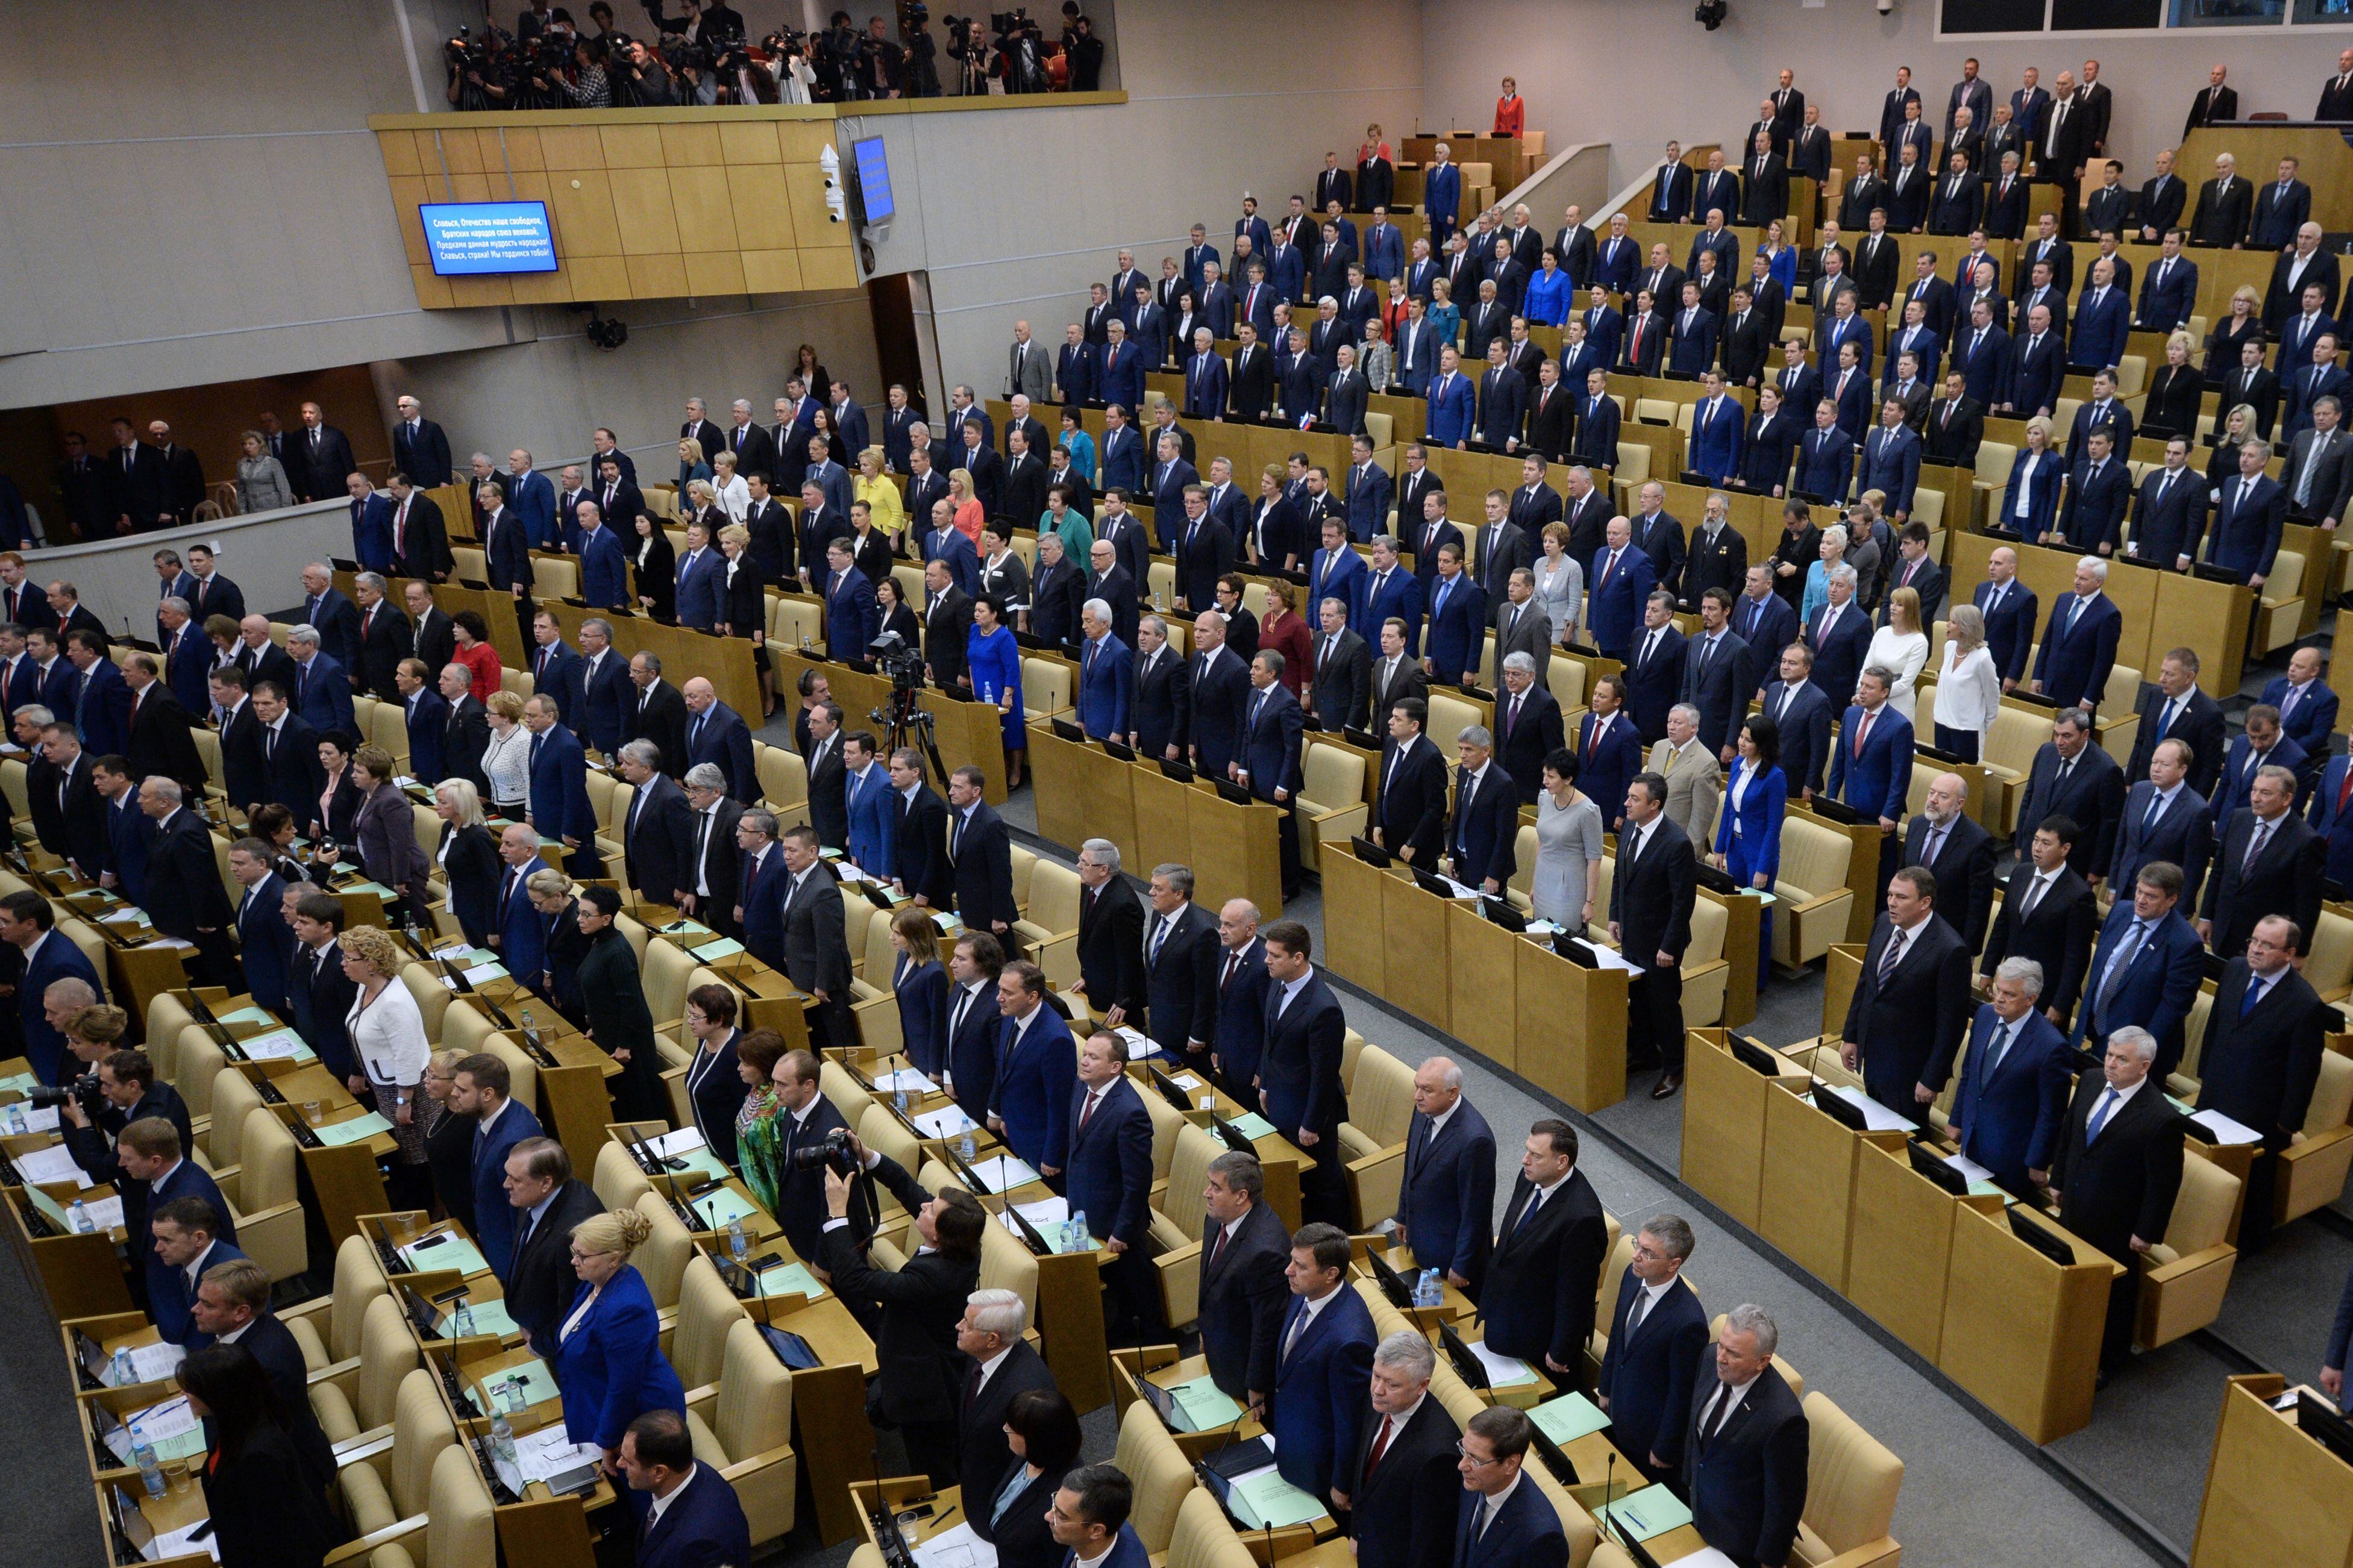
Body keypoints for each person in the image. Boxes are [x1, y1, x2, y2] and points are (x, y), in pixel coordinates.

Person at [822, 1132, 988, 1485]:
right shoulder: (962, 1241)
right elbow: (906, 1186)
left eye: (931, 1210)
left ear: (939, 1235)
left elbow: (854, 1279)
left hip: (928, 1387)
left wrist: (837, 1214)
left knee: (933, 1467)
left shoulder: (933, 1278)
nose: (924, 1206)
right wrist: (867, 1155)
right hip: (928, 1353)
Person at [2050, 1026, 2186, 1374]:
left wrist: (2146, 1231)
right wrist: (2058, 1179)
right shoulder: (2092, 1080)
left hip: (2117, 1223)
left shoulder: (2162, 1117)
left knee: (2113, 1295)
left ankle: (2107, 1363)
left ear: (2144, 1066)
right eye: (2110, 1054)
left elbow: (2164, 1183)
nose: (2110, 1063)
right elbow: (2071, 1134)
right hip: (2074, 1205)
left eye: (2121, 1059)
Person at [2198, 915, 2330, 1252]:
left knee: (2251, 1185)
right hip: (2216, 1092)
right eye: (2254, 941)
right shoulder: (2235, 969)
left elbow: (2304, 1071)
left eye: (2267, 945)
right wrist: (2205, 1074)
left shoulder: (2305, 1004)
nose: (2256, 950)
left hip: (2260, 1110)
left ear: (2290, 953)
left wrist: (2289, 1123)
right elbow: (2216, 1026)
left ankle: (2246, 1245)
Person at [179, 1343, 340, 1568]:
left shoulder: (260, 1456)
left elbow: (274, 1541)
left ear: (217, 1395)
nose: (184, 1394)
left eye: (190, 1390)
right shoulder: (235, 1425)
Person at [552, 1208, 687, 1470]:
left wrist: (608, 1440)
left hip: (641, 1423)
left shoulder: (625, 1309)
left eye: (582, 1256)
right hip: (602, 1404)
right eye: (574, 1252)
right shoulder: (595, 1282)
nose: (574, 1261)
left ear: (613, 1259)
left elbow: (624, 1387)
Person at [1842, 866, 1972, 1123]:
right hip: (1873, 1054)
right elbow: (1866, 983)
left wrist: (1932, 1078)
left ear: (1925, 902)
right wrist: (1851, 1036)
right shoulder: (1883, 923)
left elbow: (1952, 1024)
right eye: (1890, 895)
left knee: (1903, 1137)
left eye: (1901, 897)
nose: (1892, 903)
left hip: (1909, 1071)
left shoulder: (1950, 950)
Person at [1685, 1305, 1809, 1568]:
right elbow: (1696, 1433)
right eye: (1722, 1346)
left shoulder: (1783, 1419)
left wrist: (1770, 1560)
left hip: (1738, 1544)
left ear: (1762, 1362)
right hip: (1695, 1512)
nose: (1721, 1358)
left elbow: (1785, 1502)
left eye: (1734, 1354)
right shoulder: (1709, 1359)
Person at [1265, 1221, 1377, 1501]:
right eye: (1292, 1260)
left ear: (1331, 1274)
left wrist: (1342, 1483)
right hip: (1290, 1440)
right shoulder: (1307, 1292)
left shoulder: (1350, 1341)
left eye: (1301, 1266)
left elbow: (1351, 1421)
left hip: (1317, 1468)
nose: (1289, 1270)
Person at [1596, 1214, 1708, 1485]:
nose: (1636, 1256)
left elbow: (1682, 1394)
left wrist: (1665, 1447)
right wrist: (1606, 1388)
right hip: (1617, 1410)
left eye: (1647, 1253)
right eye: (1638, 1245)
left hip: (1648, 1437)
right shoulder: (1632, 1276)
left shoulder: (1688, 1321)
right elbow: (1618, 1338)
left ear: (1674, 1264)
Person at [1948, 958, 2073, 1199]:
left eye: (2009, 994)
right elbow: (1969, 1073)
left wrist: (2038, 1162)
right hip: (1972, 1141)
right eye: (1998, 990)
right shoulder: (1985, 1015)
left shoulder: (2052, 1046)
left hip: (2012, 1159)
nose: (1999, 998)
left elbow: (2051, 1113)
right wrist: (1956, 1119)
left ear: (2031, 999)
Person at [1339, 1332, 1461, 1568]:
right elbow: (1366, 1478)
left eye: (1392, 1384)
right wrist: (1356, 1532)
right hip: (1366, 1544)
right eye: (1376, 1376)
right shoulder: (1382, 1401)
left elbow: (1429, 1543)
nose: (1377, 1389)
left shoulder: (1439, 1454)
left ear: (1422, 1385)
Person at [1256, 920, 1350, 1223]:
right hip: (1282, 1099)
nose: (1267, 960)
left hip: (1311, 1114)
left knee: (1323, 1182)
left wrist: (1311, 1124)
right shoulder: (1277, 983)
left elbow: (1324, 1075)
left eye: (1275, 955)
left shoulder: (1324, 1008)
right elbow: (1271, 1039)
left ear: (1298, 958)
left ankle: (1339, 1236)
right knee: (1297, 1178)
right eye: (1267, 953)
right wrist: (1266, 1085)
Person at [1613, 772, 1699, 1098]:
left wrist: (1669, 947)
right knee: (1638, 1000)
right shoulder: (1629, 828)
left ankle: (1674, 1068)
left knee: (1664, 1007)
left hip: (1661, 943)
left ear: (1655, 805)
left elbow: (1683, 903)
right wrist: (1615, 916)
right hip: (1631, 935)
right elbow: (1621, 876)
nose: (1627, 803)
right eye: (1629, 796)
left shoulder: (1677, 843)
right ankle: (1645, 1053)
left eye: (1635, 799)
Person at [1066, 1030, 1156, 1337]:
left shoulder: (1130, 1112)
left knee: (1134, 1295)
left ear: (1115, 1067)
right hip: (1084, 1208)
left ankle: (1144, 1343)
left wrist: (1123, 1230)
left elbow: (1137, 1182)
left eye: (1094, 1057)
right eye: (1085, 1054)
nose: (1084, 1061)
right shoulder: (1083, 1085)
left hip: (1116, 1223)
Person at [340, 925, 433, 1209]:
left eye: (349, 958)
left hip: (408, 1091)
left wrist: (404, 1102)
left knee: (416, 1155)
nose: (343, 963)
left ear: (371, 963)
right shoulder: (366, 987)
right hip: (384, 1084)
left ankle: (427, 1209)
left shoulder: (394, 1002)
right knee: (402, 1152)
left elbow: (407, 1056)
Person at [1394, 1057, 1496, 1298]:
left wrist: (1462, 1264)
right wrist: (1403, 1214)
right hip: (1422, 1240)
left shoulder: (1475, 1140)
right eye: (1417, 1086)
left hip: (1452, 1258)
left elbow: (1477, 1212)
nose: (1417, 1096)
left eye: (1427, 1090)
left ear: (1453, 1093)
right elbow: (1412, 1167)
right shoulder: (1424, 1110)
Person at [1196, 1149, 1291, 1404]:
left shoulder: (1265, 1253)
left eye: (1216, 1187)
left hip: (1242, 1369)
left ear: (1241, 1196)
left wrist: (1257, 1384)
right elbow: (1210, 1279)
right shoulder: (1217, 1217)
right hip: (1220, 1346)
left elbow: (1267, 1327)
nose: (1207, 1193)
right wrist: (1205, 1327)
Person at [2204, 763, 2325, 959]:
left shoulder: (2306, 841)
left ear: (2287, 798)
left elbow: (2307, 905)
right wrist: (2206, 917)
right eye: (2254, 790)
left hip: (2267, 945)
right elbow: (2219, 873)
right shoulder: (2238, 818)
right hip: (2222, 930)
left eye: (2265, 793)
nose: (2255, 798)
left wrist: (2298, 952)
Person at [501, 1136, 606, 1353]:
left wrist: (539, 1346)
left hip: (559, 1349)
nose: (506, 1184)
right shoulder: (534, 1196)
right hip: (534, 1328)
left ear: (546, 1183)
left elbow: (575, 1311)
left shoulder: (573, 1235)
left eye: (515, 1179)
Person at [620, 1408, 754, 1568]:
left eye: (629, 1462)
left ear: (659, 1472)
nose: (619, 1464)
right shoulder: (694, 1470)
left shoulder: (702, 1547)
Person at [453, 1050, 543, 1279]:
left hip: (508, 1258)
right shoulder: (489, 1115)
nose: (454, 1094)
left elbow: (521, 1213)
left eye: (463, 1090)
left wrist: (516, 1271)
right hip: (491, 1238)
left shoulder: (512, 1142)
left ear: (488, 1094)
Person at [1714, 717, 1788, 983]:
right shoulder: (1737, 764)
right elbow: (1728, 810)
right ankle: (1739, 972)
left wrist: (1763, 867)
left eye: (1748, 740)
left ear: (1762, 745)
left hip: (1758, 855)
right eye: (1741, 737)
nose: (1741, 743)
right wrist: (1720, 848)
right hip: (1736, 848)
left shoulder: (1775, 777)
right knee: (1738, 909)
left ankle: (1758, 978)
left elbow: (1773, 826)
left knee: (1759, 915)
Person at [981, 1388, 1080, 1568]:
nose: (1005, 1429)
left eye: (1012, 1428)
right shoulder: (1028, 1457)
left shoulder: (1063, 1498)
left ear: (1035, 1439)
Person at [1932, 604, 2001, 761]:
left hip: (1967, 730)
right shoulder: (1949, 647)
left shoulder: (1982, 657)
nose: (1947, 625)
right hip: (1942, 723)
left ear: (1965, 627)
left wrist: (1984, 724)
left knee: (1964, 774)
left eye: (1953, 622)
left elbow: (1993, 696)